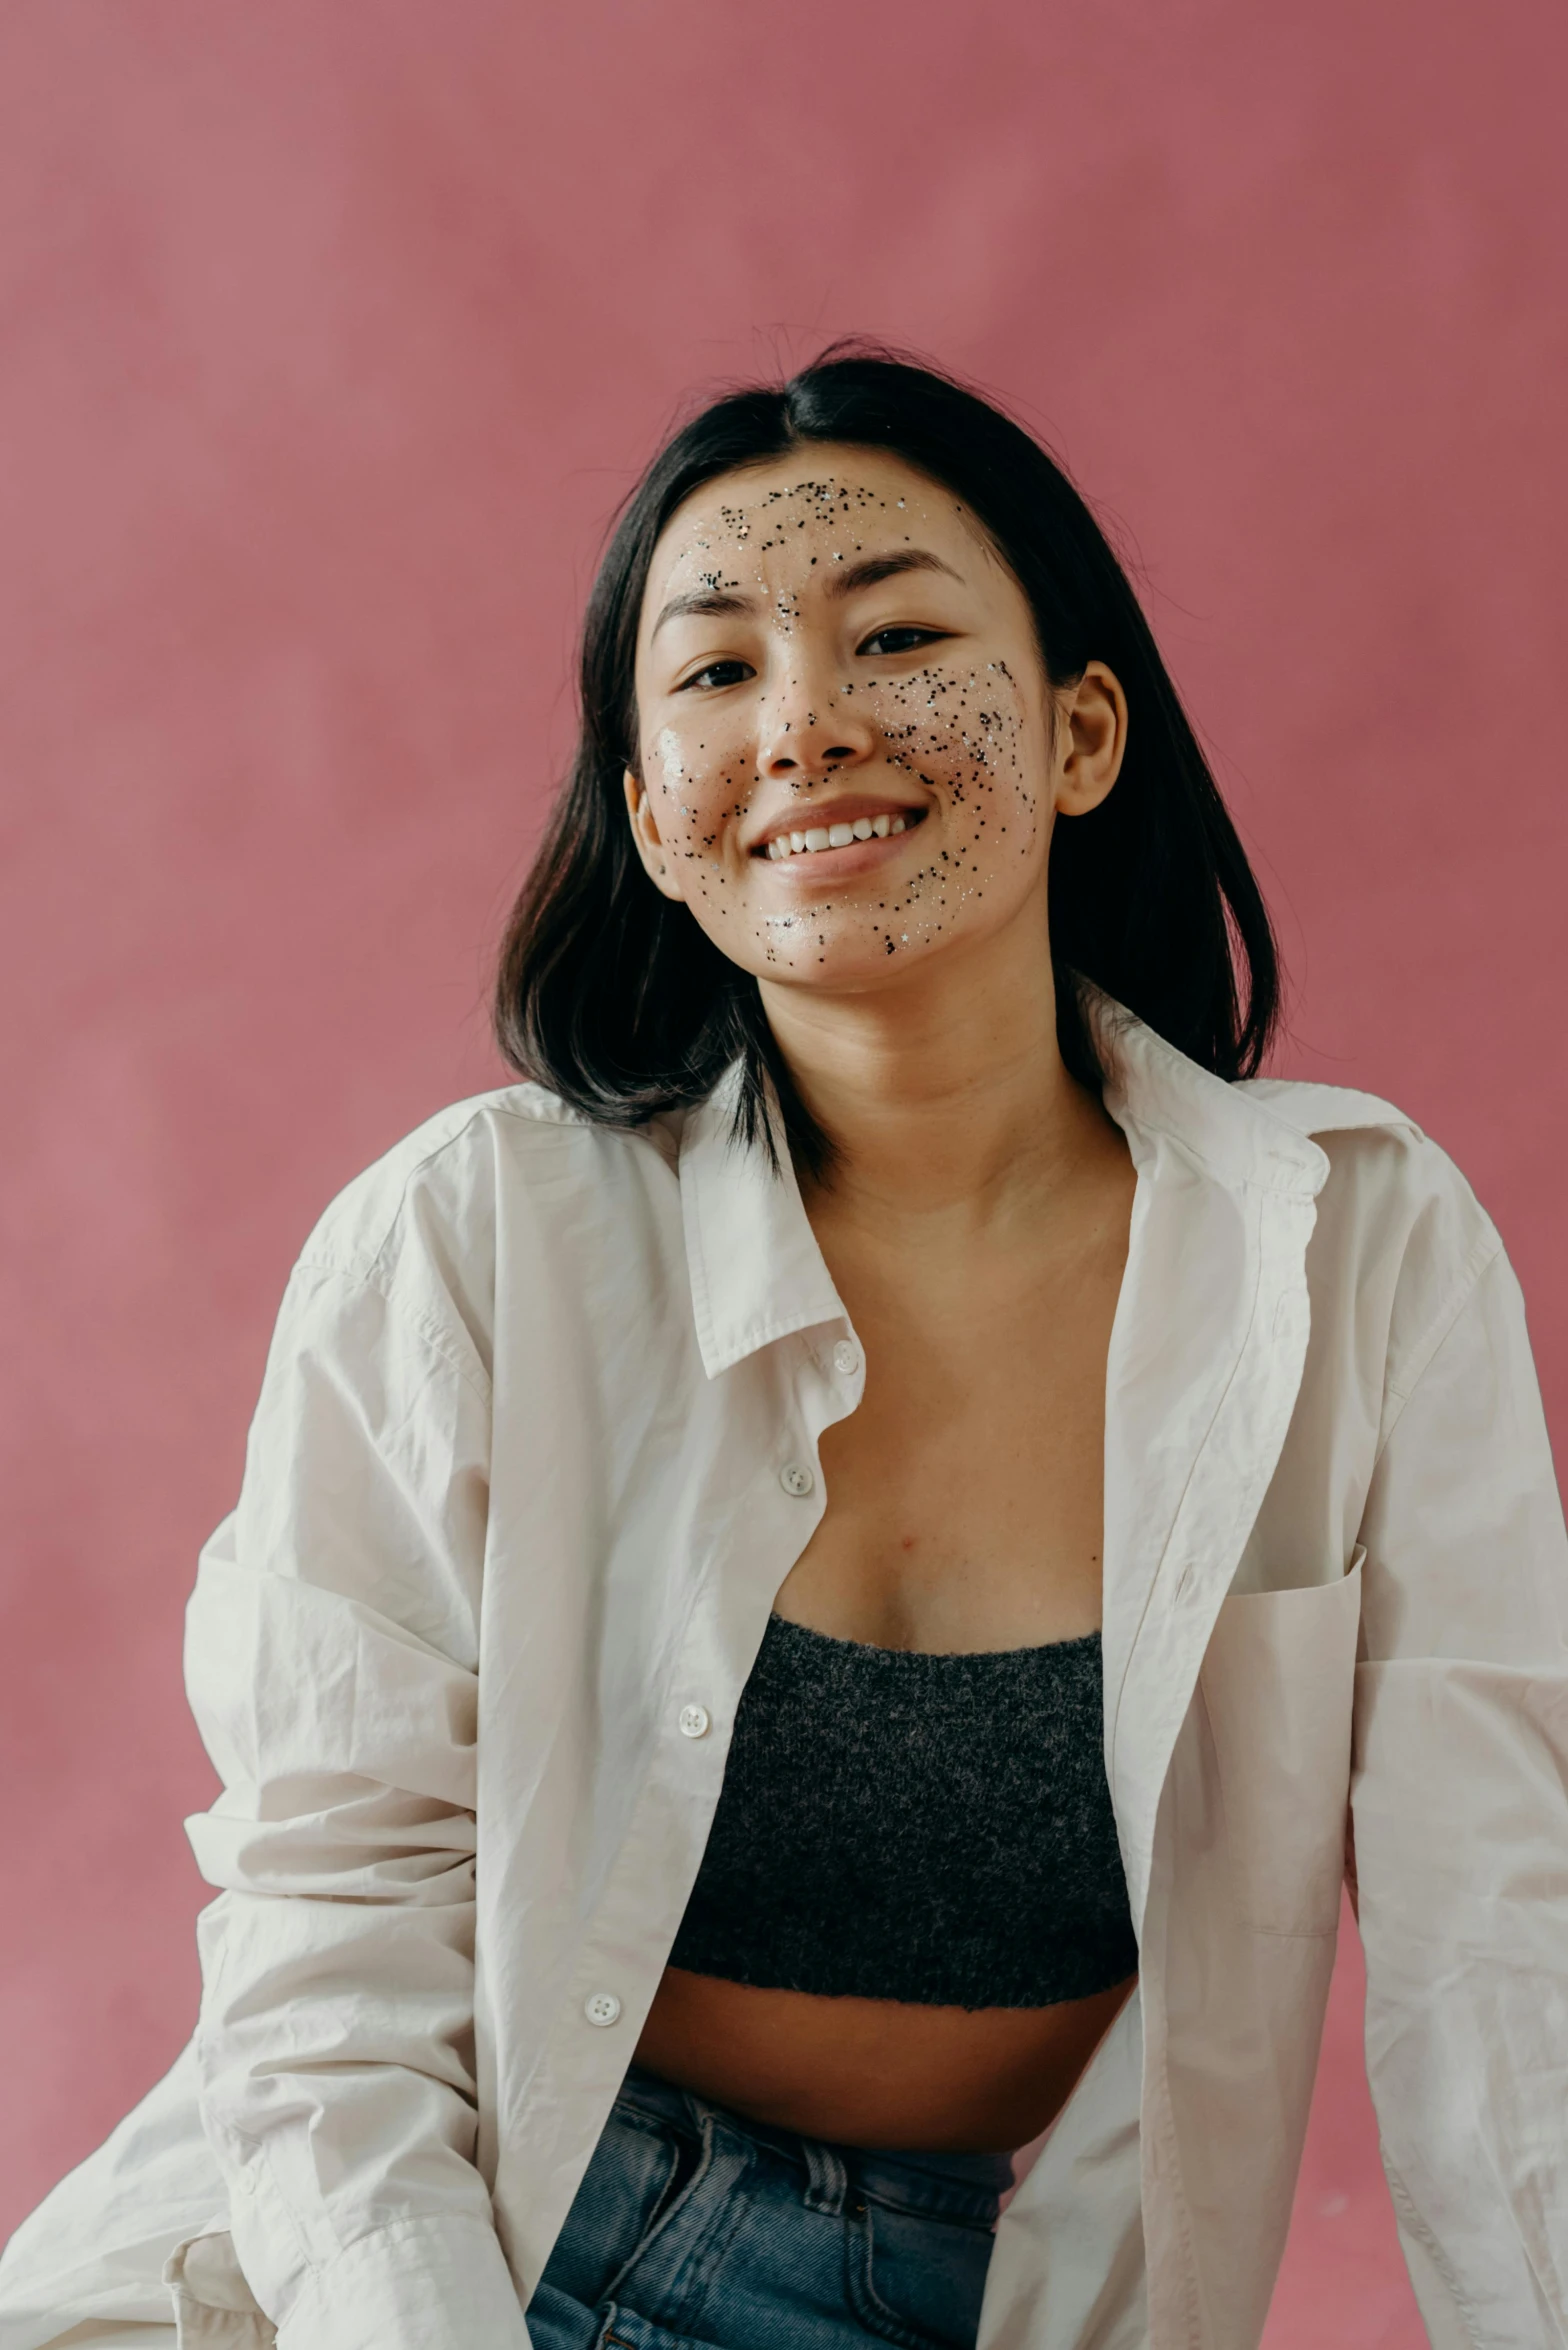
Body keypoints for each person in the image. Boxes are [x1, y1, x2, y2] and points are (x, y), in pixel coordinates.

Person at [2, 345, 1565, 2350]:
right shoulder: (471, 1239)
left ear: (1083, 731)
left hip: (926, 2294)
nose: (810, 720)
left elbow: (1496, 1945)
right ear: (654, 817)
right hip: (385, 2256)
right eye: (718, 670)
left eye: (897, 631)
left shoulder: (1354, 1253)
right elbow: (330, 1955)